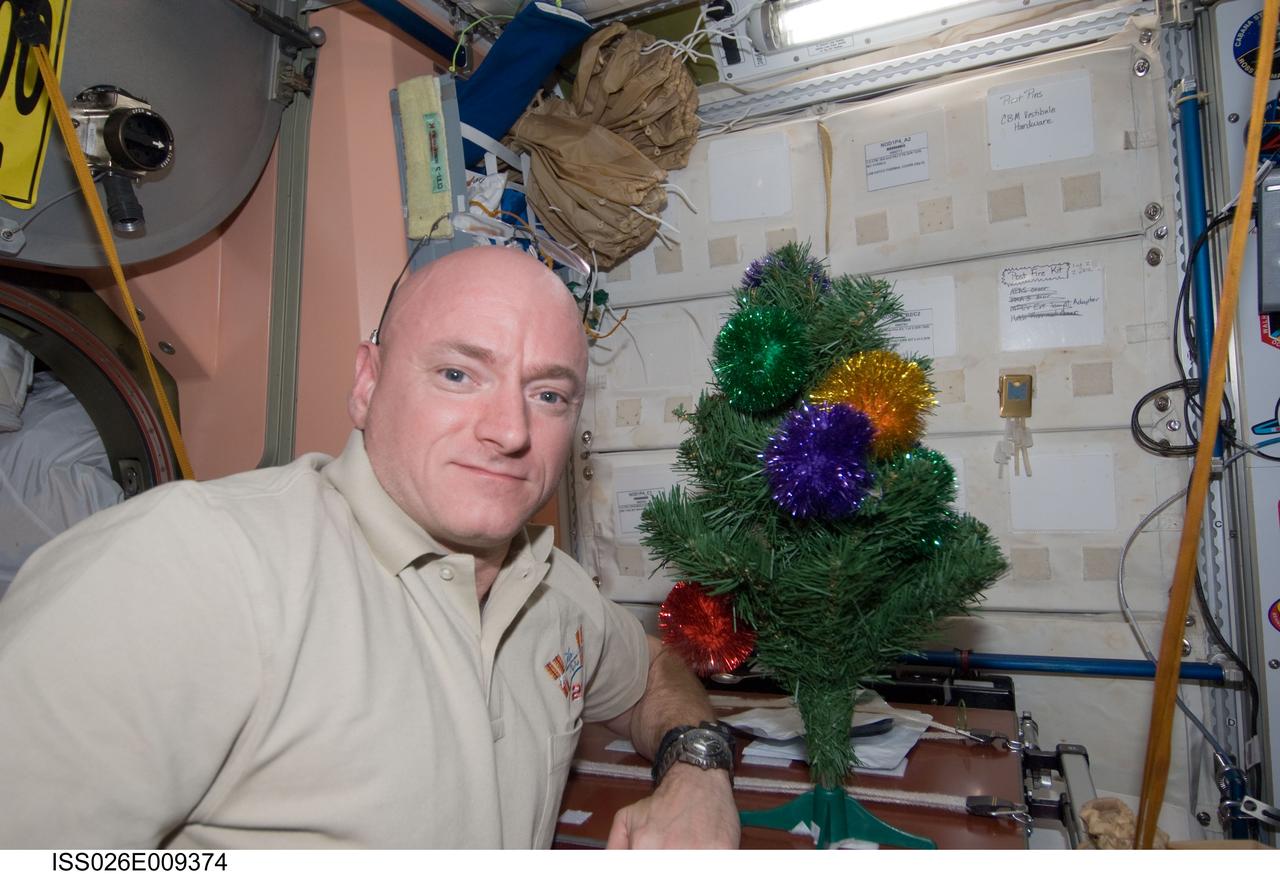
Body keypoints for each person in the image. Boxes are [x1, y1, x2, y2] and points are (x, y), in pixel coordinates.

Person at [0, 247, 740, 849]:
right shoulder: (187, 567)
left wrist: (697, 772)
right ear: (366, 383)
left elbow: (651, 667)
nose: (511, 430)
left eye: (548, 395)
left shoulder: (552, 588)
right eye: (458, 375)